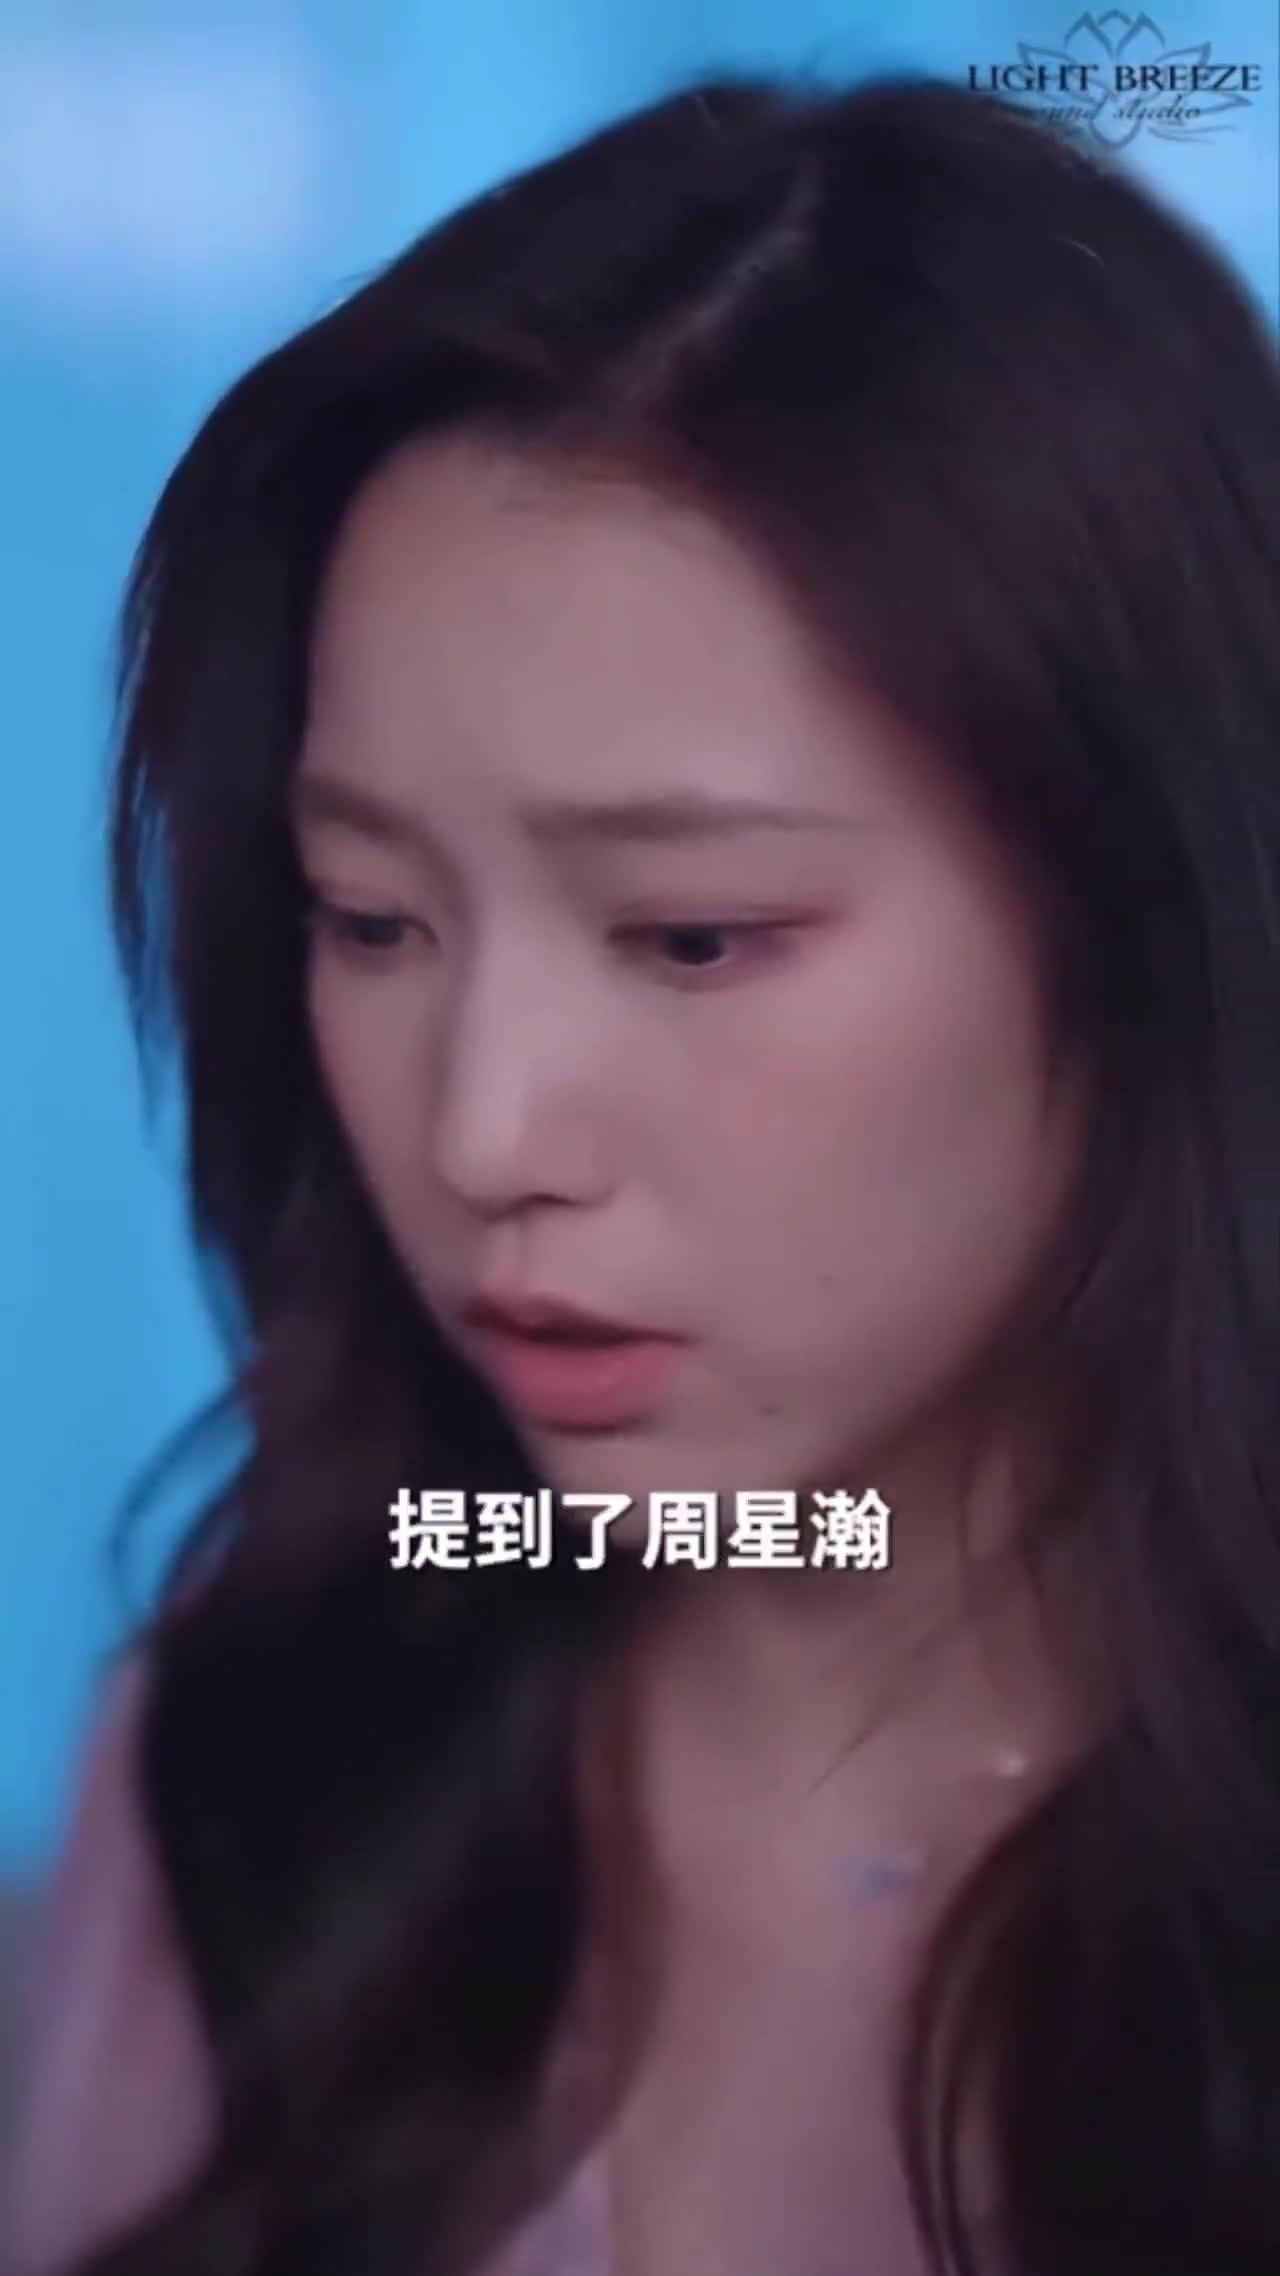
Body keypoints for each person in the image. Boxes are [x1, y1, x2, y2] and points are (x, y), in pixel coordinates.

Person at [5, 63, 1280, 2276]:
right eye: (371, 920)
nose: (484, 1133)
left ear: (1151, 911)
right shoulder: (269, 1753)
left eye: (694, 937)